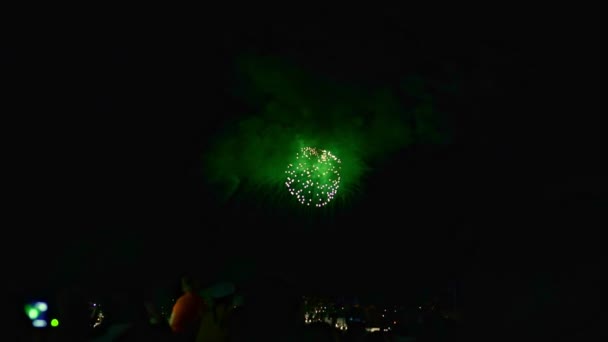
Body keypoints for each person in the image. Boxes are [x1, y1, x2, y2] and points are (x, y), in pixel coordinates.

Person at [169, 275, 207, 341]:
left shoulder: (181, 300)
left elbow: (172, 321)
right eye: (189, 282)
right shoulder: (197, 299)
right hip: (184, 335)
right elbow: (203, 316)